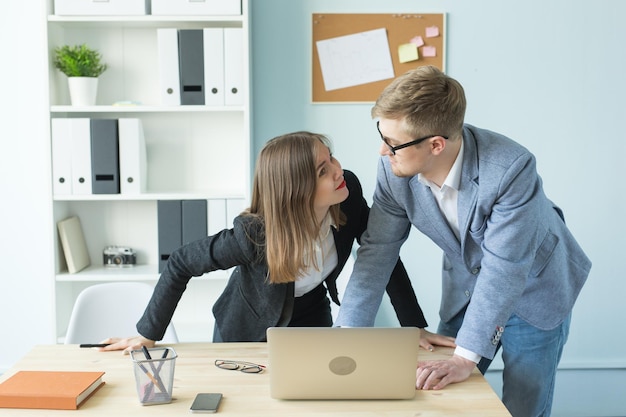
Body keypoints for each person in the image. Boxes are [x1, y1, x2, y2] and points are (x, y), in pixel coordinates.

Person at [334, 66, 591, 417]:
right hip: (467, 291)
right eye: (382, 134)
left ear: (436, 144)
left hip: (535, 289)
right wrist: (347, 336)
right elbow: (378, 249)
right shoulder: (394, 167)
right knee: (441, 400)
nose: (382, 150)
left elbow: (505, 268)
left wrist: (465, 358)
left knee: (521, 407)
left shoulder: (510, 168)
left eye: (392, 142)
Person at [101, 131, 455, 352]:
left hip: (312, 315)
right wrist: (148, 333)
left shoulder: (346, 193)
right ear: (296, 191)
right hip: (246, 329)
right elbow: (180, 263)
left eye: (330, 156)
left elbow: (383, 254)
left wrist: (413, 326)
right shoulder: (254, 235)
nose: (338, 170)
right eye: (322, 170)